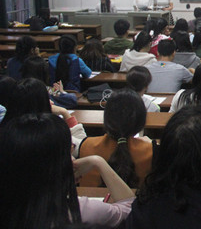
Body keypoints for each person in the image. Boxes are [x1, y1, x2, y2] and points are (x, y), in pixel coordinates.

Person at [0, 113, 134, 228]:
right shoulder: (78, 210)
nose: (74, 160)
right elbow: (130, 210)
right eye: (69, 153)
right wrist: (98, 162)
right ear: (54, 165)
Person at [78, 89, 155, 188]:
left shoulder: (86, 145)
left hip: (90, 198)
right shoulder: (151, 150)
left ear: (107, 117)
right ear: (140, 121)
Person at [0, 77, 86, 156]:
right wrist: (64, 111)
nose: (51, 101)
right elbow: (82, 146)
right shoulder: (54, 131)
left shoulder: (7, 132)